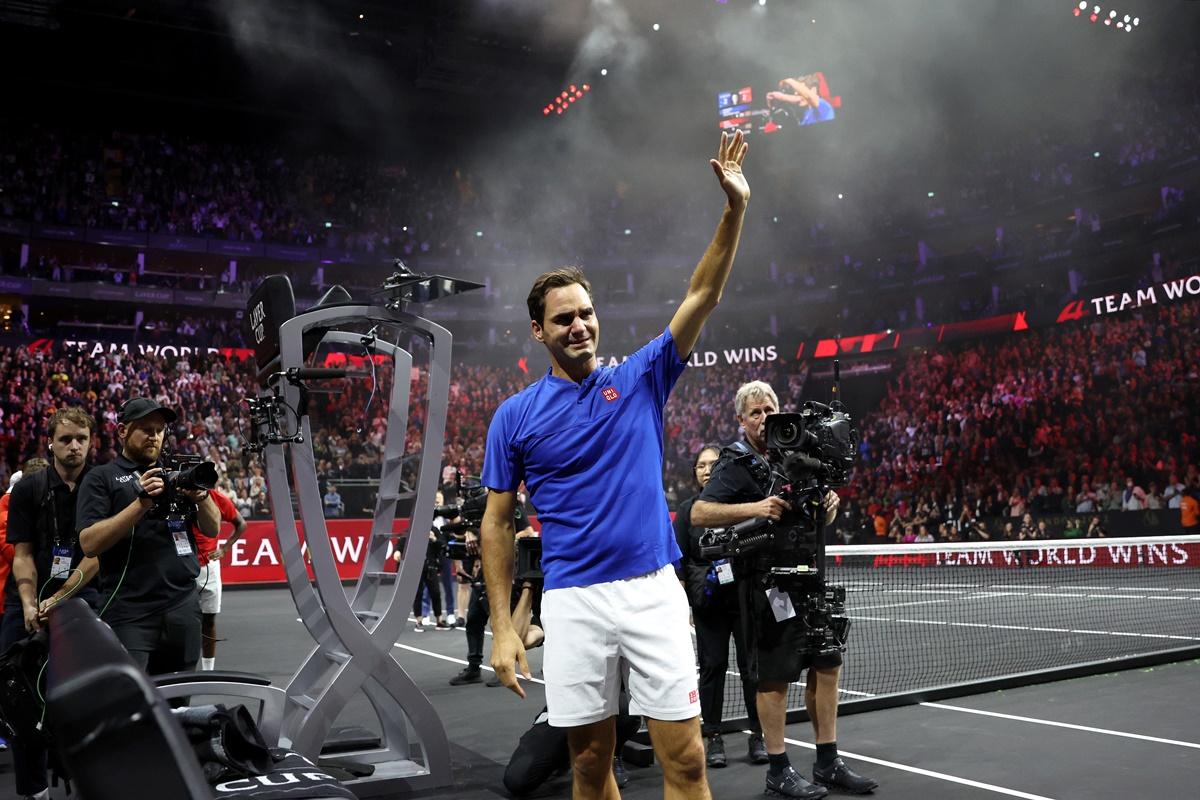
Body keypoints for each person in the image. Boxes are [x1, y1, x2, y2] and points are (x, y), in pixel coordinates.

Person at [482, 129, 751, 800]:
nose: (580, 326)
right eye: (564, 318)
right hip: (572, 600)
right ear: (539, 332)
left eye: (588, 313)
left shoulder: (641, 378)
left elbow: (703, 295)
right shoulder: (513, 416)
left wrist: (734, 211)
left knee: (685, 759)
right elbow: (495, 524)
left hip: (654, 590)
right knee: (588, 764)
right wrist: (503, 628)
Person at [692, 381, 878, 798]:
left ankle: (828, 761)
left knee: (828, 664)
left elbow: (816, 517)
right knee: (773, 679)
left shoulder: (801, 452)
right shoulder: (733, 462)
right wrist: (754, 508)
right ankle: (778, 769)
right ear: (741, 420)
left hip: (810, 577)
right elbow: (700, 512)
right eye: (755, 412)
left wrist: (829, 506)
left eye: (769, 409)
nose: (764, 418)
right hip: (765, 585)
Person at [77, 398, 220, 674]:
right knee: (132, 701)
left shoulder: (177, 475)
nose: (154, 436)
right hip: (130, 611)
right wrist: (140, 503)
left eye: (159, 429)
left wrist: (201, 497)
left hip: (182, 606)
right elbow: (89, 543)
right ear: (122, 431)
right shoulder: (101, 478)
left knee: (180, 703)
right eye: (145, 429)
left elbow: (213, 528)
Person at [3, 409, 102, 800]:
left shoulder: (102, 484)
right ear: (50, 442)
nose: (74, 445)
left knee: (84, 696)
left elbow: (94, 558)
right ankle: (33, 791)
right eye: (65, 439)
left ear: (91, 440)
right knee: (18, 699)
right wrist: (29, 604)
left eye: (81, 437)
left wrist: (58, 599)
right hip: (25, 604)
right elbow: (22, 554)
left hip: (84, 597)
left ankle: (85, 781)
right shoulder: (29, 488)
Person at [675, 444, 767, 768]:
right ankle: (713, 736)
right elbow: (680, 563)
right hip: (708, 604)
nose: (707, 469)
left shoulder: (742, 507)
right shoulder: (688, 511)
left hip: (743, 598)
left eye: (714, 463)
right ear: (695, 472)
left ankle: (758, 734)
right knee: (712, 669)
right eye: (701, 465)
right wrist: (684, 607)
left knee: (751, 669)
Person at [448, 498, 538, 687]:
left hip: (506, 572)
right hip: (485, 571)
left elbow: (527, 532)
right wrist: (469, 536)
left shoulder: (511, 504)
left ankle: (505, 667)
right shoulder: (480, 509)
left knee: (501, 622)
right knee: (473, 620)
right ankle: (473, 668)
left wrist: (493, 542)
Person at [193, 488, 248, 670]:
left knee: (209, 620)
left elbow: (241, 523)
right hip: (181, 567)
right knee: (180, 621)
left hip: (208, 567)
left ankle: (208, 671)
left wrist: (224, 549)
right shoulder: (175, 495)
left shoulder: (216, 497)